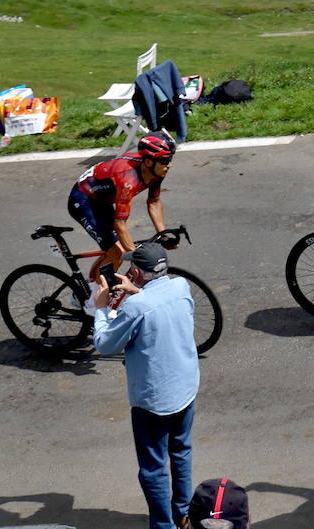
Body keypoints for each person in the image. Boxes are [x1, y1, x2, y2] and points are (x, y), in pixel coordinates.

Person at [92, 240, 200, 529]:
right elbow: (158, 308)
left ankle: (163, 526)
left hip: (155, 400)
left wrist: (101, 308)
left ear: (138, 274)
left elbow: (104, 344)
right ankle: (183, 513)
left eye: (131, 268)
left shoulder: (137, 306)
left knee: (153, 469)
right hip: (185, 388)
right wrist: (136, 293)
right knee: (181, 452)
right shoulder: (180, 287)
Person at [69, 132, 175, 286]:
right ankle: (92, 298)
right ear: (148, 162)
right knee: (117, 251)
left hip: (102, 199)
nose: (169, 164)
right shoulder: (128, 181)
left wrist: (162, 234)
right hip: (83, 199)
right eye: (165, 160)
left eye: (170, 159)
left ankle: (92, 285)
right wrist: (137, 257)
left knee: (116, 252)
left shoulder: (157, 170)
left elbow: (154, 201)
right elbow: (120, 224)